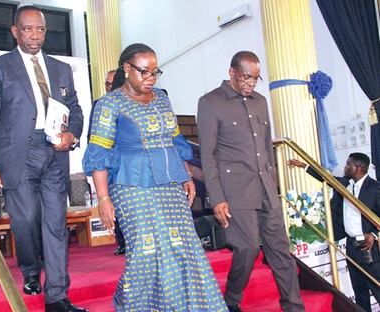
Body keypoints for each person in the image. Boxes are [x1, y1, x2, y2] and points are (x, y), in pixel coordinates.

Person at [82, 43, 227, 311]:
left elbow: (174, 138)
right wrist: (103, 199)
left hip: (170, 183)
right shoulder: (109, 103)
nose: (150, 79)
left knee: (185, 248)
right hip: (131, 186)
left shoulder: (161, 97)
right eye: (144, 72)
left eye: (154, 73)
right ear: (126, 68)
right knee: (146, 253)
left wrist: (185, 174)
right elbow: (99, 153)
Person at [0, 5, 86, 312]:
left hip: (55, 151)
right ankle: (30, 269)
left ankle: (57, 296)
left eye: (40, 29)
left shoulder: (61, 69)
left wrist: (72, 135)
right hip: (17, 155)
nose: (34, 35)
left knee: (54, 223)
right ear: (15, 31)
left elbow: (74, 109)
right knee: (25, 221)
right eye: (27, 29)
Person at [197, 51, 305, 312]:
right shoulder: (210, 102)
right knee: (246, 250)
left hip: (266, 189)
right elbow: (208, 156)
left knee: (281, 251)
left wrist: (273, 183)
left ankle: (294, 307)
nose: (251, 84)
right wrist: (217, 198)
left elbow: (266, 147)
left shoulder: (260, 102)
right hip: (235, 193)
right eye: (246, 77)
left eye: (256, 78)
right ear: (232, 72)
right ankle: (231, 300)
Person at [288, 154, 380, 312]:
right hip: (351, 245)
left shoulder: (375, 187)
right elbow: (325, 177)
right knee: (359, 289)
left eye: (348, 165)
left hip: (368, 246)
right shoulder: (345, 183)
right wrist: (303, 165)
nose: (345, 167)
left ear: (358, 168)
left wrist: (374, 233)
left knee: (376, 286)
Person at [87, 69, 125, 255]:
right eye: (107, 84)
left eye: (113, 83)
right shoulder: (100, 105)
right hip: (107, 161)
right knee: (112, 200)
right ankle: (121, 241)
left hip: (127, 159)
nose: (110, 87)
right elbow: (93, 136)